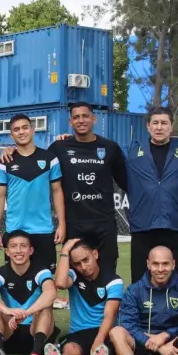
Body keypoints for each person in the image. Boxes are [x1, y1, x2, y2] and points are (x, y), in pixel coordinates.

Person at [50, 103, 127, 275]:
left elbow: (127, 182)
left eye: (85, 116)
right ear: (70, 122)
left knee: (107, 273)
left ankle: (108, 302)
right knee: (77, 276)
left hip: (104, 223)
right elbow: (36, 161)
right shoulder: (59, 148)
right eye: (76, 117)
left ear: (94, 119)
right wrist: (12, 150)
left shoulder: (110, 148)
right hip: (74, 224)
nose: (81, 120)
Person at [125, 106, 178, 279]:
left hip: (176, 224)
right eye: (155, 123)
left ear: (171, 127)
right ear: (148, 126)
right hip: (143, 226)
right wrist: (69, 140)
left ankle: (176, 307)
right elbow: (105, 154)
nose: (159, 127)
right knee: (139, 280)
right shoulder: (131, 150)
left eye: (164, 123)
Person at [109, 246, 178, 355]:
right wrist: (157, 346)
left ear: (173, 264)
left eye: (165, 264)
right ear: (148, 264)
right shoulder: (134, 290)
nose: (160, 269)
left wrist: (166, 335)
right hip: (142, 345)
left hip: (174, 350)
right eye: (155, 264)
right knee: (116, 331)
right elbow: (128, 324)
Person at [0, 113, 64, 271]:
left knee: (46, 281)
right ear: (11, 135)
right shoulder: (5, 161)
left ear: (32, 130)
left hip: (43, 230)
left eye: (25, 127)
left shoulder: (50, 159)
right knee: (15, 282)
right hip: (15, 231)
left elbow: (57, 192)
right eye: (16, 129)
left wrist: (62, 224)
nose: (21, 132)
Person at [0, 230, 57, 355]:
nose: (18, 250)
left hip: (36, 332)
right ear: (7, 252)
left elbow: (51, 293)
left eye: (23, 246)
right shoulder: (1, 272)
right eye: (14, 246)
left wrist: (27, 313)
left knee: (46, 306)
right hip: (10, 330)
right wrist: (7, 310)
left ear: (31, 250)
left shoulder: (41, 271)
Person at [52, 238, 123, 355]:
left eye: (86, 260)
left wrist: (99, 339)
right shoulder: (74, 276)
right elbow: (60, 283)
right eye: (77, 264)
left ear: (95, 254)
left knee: (103, 351)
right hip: (79, 332)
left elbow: (110, 315)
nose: (83, 267)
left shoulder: (113, 280)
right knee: (69, 349)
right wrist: (65, 251)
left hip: (104, 331)